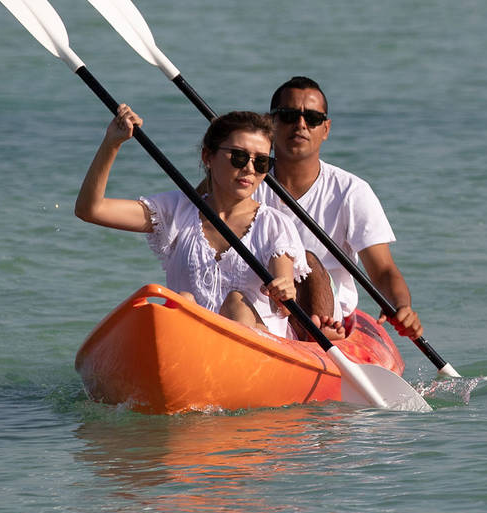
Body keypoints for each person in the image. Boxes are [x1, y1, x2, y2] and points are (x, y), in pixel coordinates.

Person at [73, 105, 339, 339]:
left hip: (258, 346)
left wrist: (284, 289)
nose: (249, 168)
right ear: (208, 157)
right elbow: (91, 209)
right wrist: (112, 143)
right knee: (183, 302)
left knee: (235, 302)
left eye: (260, 162)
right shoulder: (175, 210)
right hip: (191, 343)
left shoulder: (275, 224)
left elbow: (283, 285)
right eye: (238, 157)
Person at [258, 76, 428, 340]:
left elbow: (382, 270)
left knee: (306, 262)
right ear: (270, 124)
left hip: (325, 312)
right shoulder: (243, 180)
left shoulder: (351, 191)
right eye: (289, 115)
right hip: (260, 299)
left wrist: (401, 306)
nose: (301, 125)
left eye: (312, 118)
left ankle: (317, 338)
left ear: (325, 129)